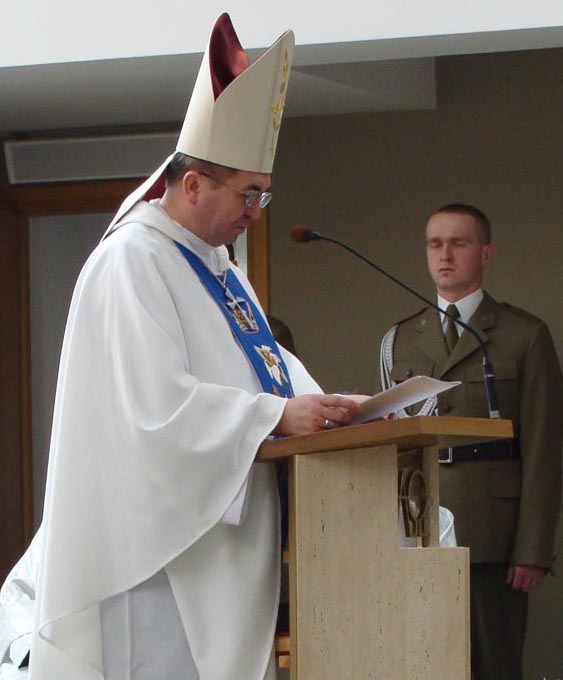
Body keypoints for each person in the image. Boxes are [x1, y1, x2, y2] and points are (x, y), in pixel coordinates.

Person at [28, 14, 360, 680]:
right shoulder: (132, 260)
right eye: (248, 193)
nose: (257, 210)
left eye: (264, 193)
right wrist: (275, 416)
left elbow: (268, 371)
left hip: (220, 541)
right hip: (158, 561)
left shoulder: (219, 268)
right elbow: (153, 411)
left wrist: (333, 410)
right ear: (191, 185)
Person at [379, 203, 563, 680]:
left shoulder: (523, 334)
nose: (445, 255)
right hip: (419, 523)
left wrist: (532, 549)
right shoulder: (401, 338)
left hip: (492, 530)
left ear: (485, 253)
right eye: (435, 244)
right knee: (423, 662)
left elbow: (544, 448)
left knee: (493, 663)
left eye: (458, 243)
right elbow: (391, 437)